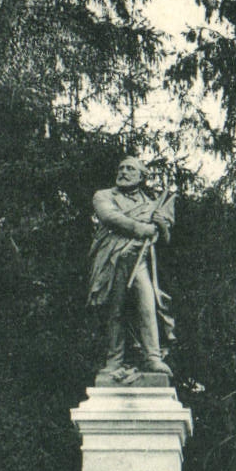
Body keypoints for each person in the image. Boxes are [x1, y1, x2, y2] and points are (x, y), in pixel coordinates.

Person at [88, 157, 175, 385]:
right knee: (115, 308)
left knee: (147, 305)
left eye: (130, 169)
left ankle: (152, 357)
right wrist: (140, 228)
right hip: (113, 257)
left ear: (141, 176)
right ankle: (114, 360)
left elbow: (164, 239)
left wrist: (161, 225)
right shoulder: (104, 195)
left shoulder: (152, 204)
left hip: (139, 259)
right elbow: (109, 217)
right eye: (121, 168)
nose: (124, 172)